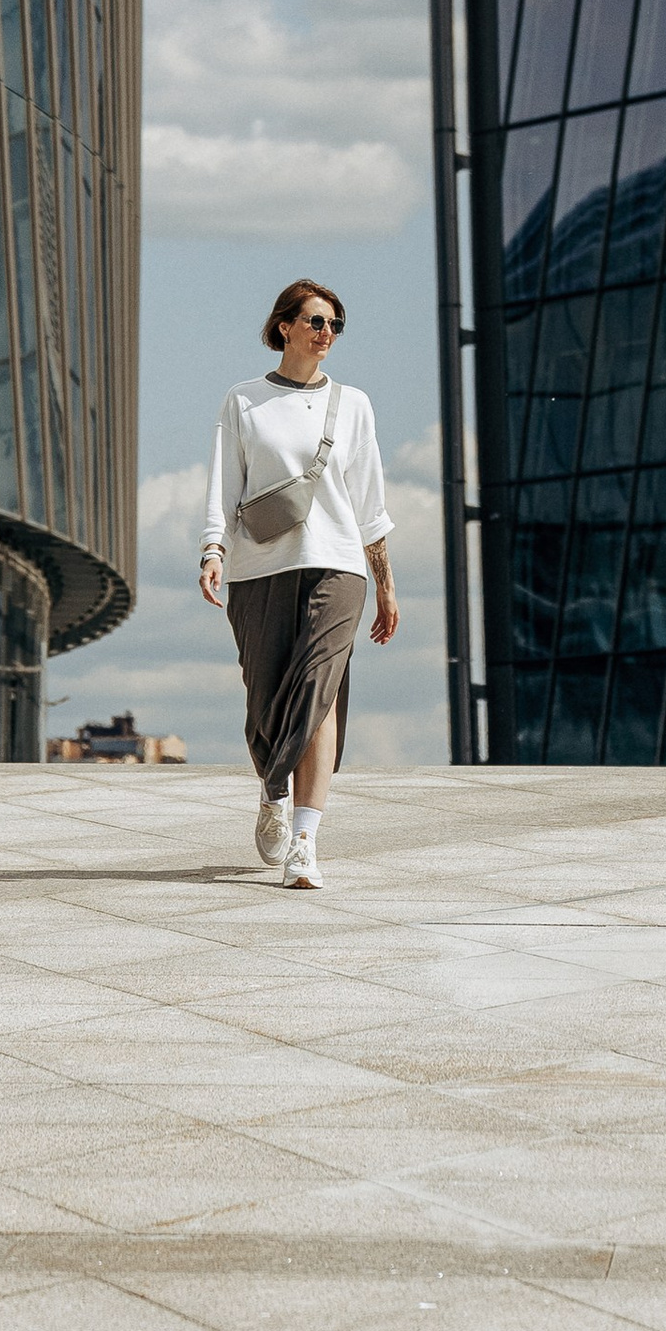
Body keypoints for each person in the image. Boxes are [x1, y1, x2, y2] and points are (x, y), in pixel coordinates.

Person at [199, 280, 397, 888]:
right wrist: (213, 548)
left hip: (339, 565)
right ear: (284, 326)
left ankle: (305, 841)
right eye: (315, 321)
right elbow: (223, 485)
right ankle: (272, 789)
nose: (326, 333)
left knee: (322, 687)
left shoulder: (355, 404)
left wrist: (385, 586)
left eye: (335, 324)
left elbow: (370, 505)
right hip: (260, 566)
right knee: (266, 700)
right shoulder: (244, 401)